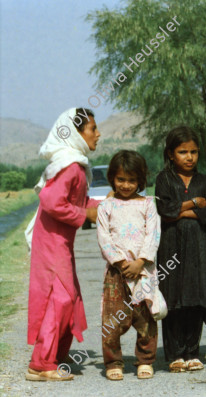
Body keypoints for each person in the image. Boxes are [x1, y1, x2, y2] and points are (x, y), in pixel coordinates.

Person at [25, 108, 100, 381]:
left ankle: (54, 353)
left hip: (58, 241)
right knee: (61, 297)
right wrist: (85, 214)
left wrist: (107, 205)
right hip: (52, 242)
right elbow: (52, 201)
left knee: (69, 295)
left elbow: (78, 202)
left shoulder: (75, 165)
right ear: (77, 134)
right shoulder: (70, 166)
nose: (98, 134)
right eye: (92, 129)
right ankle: (41, 363)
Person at [155, 126, 206, 372]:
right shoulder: (164, 179)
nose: (189, 157)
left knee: (194, 297)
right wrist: (195, 204)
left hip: (199, 248)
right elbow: (165, 212)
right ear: (171, 154)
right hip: (171, 248)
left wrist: (182, 209)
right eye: (183, 152)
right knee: (173, 296)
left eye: (193, 152)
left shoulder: (204, 180)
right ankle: (174, 354)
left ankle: (193, 352)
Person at [96, 150, 165, 380]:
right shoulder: (106, 207)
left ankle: (145, 360)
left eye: (132, 180)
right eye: (121, 179)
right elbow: (104, 237)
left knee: (145, 317)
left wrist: (140, 262)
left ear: (141, 180)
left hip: (143, 271)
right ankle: (113, 362)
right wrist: (121, 262)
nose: (126, 185)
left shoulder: (147, 204)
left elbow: (153, 235)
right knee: (112, 319)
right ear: (112, 179)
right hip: (117, 273)